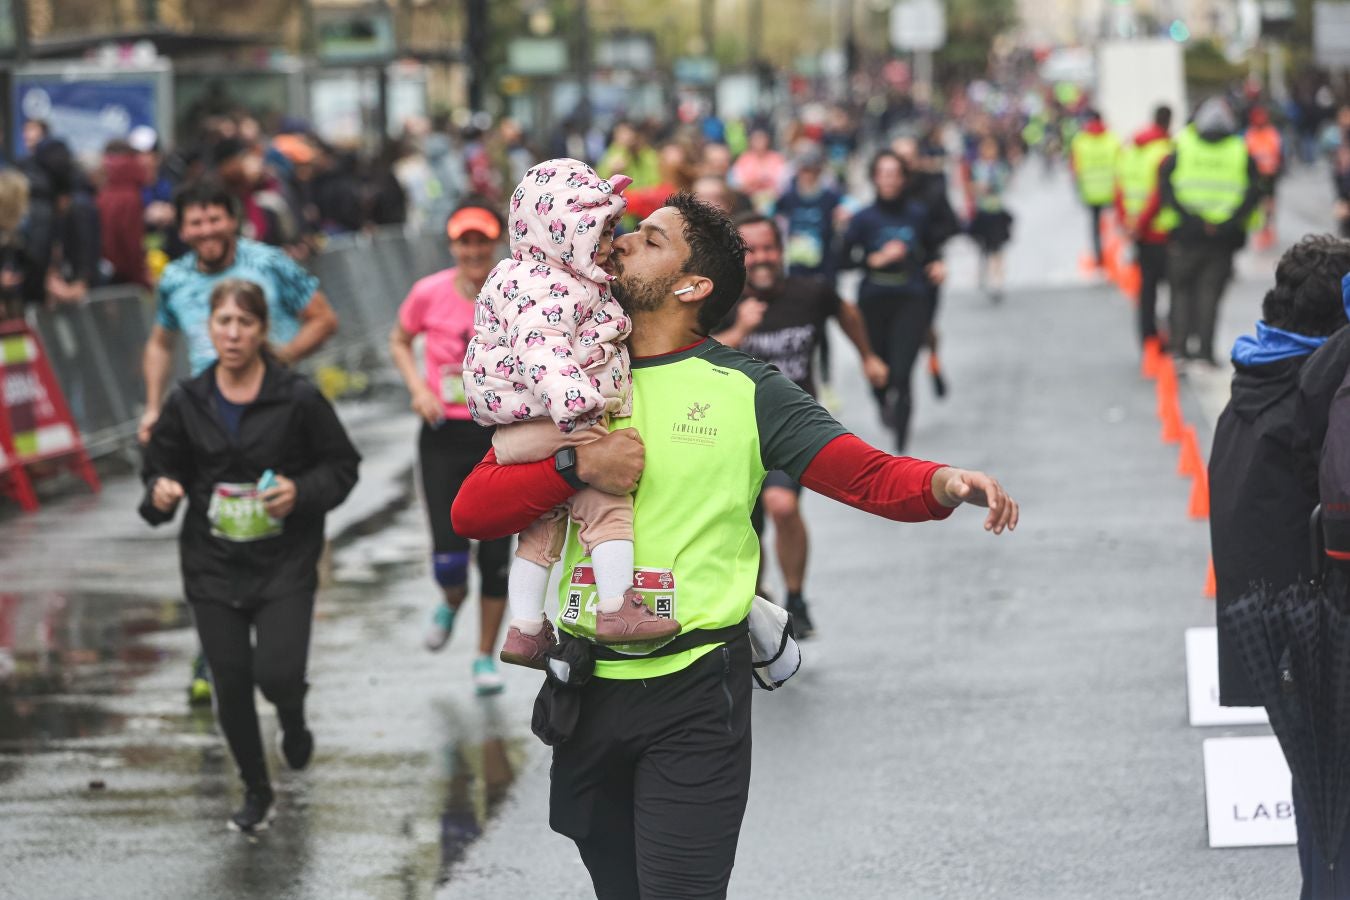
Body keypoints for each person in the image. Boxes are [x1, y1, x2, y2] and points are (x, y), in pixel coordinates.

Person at [451, 192, 1018, 898]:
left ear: (693, 287)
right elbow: (472, 511)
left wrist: (946, 481)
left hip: (694, 691)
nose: (623, 242)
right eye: (631, 231)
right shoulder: (572, 375)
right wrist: (576, 465)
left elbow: (866, 475)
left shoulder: (747, 390)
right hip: (585, 687)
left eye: (652, 240)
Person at [139, 278, 360, 833]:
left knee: (278, 674)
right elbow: (160, 469)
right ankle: (256, 789)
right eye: (223, 323)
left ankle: (293, 716)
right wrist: (161, 492)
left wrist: (299, 493)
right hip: (212, 566)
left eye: (244, 323)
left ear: (263, 331)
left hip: (284, 562)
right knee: (230, 681)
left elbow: (341, 466)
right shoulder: (189, 400)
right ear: (209, 330)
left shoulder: (298, 396)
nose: (233, 334)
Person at [461, 159, 679, 667]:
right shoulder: (553, 286)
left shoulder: (523, 277)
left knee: (540, 532)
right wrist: (576, 402)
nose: (608, 245)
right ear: (562, 234)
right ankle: (617, 607)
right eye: (598, 233)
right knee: (606, 505)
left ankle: (525, 629)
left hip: (519, 428)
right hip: (554, 419)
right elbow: (543, 350)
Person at [1209, 234, 1350, 898]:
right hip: (1319, 633)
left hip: (1276, 639)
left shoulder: (1257, 378)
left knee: (1323, 812)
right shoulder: (1315, 398)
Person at [714, 212, 888, 635]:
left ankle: (795, 597)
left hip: (788, 430)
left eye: (770, 248)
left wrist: (868, 356)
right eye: (751, 251)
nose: (763, 259)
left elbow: (847, 314)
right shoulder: (719, 301)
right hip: (730, 432)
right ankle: (754, 602)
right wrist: (740, 330)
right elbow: (694, 353)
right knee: (741, 525)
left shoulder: (810, 293)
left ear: (783, 250)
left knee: (782, 505)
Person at [389, 202, 516, 695]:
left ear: (495, 244)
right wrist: (418, 390)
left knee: (495, 558)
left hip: (497, 433)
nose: (474, 251)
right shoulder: (429, 293)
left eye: (481, 241)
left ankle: (484, 657)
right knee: (449, 558)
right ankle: (450, 599)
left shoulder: (512, 293)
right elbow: (400, 340)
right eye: (465, 242)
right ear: (452, 246)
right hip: (443, 433)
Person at [139, 178, 339, 444]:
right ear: (182, 231)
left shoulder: (268, 264)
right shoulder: (174, 279)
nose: (207, 231)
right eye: (196, 223)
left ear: (233, 222)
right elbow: (160, 345)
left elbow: (323, 318)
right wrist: (153, 407)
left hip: (279, 403)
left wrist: (281, 359)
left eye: (215, 220)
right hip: (211, 412)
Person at [839, 150, 947, 452]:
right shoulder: (863, 219)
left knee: (902, 373)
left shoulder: (917, 214)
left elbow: (932, 249)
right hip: (873, 300)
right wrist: (873, 258)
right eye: (883, 173)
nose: (889, 180)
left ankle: (901, 445)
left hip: (910, 299)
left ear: (903, 178)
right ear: (874, 178)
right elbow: (844, 258)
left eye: (894, 173)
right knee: (880, 371)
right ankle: (881, 401)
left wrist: (937, 264)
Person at [1159, 97, 1261, 367]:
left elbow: (1165, 185)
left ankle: (1179, 348)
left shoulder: (1183, 145)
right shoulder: (1239, 149)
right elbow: (1254, 191)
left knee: (1180, 292)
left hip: (1186, 234)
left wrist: (1191, 220)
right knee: (1210, 295)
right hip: (1223, 237)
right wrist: (1229, 223)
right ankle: (1205, 351)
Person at [1115, 104, 1174, 350]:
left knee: (1146, 289)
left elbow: (1119, 190)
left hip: (1138, 233)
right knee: (1175, 289)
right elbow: (1159, 195)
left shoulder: (1129, 151)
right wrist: (1142, 223)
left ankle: (1147, 337)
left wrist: (1128, 224)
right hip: (1163, 232)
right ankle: (1170, 338)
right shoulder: (1166, 151)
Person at [1069, 109, 1119, 270]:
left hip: (1090, 192)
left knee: (1095, 228)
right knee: (1113, 227)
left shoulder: (1080, 141)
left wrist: (1078, 190)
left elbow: (1075, 168)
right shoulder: (1112, 140)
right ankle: (1115, 258)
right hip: (1111, 191)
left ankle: (1099, 258)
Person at [966, 135, 1014, 304]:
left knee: (997, 249)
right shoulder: (977, 167)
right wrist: (978, 188)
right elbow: (970, 187)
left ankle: (997, 281)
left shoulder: (1001, 167)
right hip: (983, 212)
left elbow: (1006, 184)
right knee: (984, 248)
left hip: (997, 212)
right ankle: (983, 275)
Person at [1245, 106, 1284, 251]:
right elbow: (1247, 153)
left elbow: (1278, 152)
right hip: (1257, 174)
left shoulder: (1271, 133)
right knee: (1259, 203)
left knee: (1269, 204)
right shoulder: (1251, 134)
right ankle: (1261, 229)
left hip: (1270, 174)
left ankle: (1267, 229)